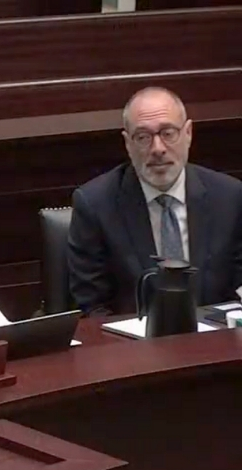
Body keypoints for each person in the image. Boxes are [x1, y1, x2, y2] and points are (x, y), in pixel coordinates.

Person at [68, 86, 242, 315]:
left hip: (216, 342)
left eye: (168, 133)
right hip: (132, 345)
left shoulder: (230, 197)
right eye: (143, 137)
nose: (157, 148)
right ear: (127, 143)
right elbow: (91, 308)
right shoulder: (95, 205)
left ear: (188, 133)